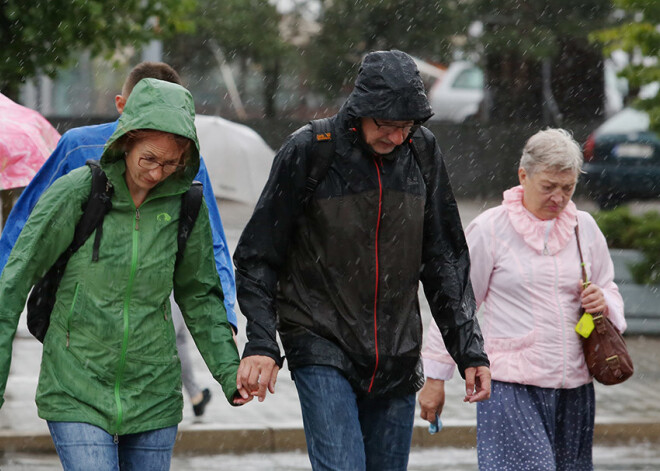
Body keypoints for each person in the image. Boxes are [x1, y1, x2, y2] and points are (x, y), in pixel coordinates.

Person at [233, 49, 491, 471]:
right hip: (320, 340)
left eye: (405, 127)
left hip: (397, 353)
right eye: (386, 126)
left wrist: (470, 351)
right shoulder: (311, 150)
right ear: (359, 111)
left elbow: (445, 259)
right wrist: (262, 342)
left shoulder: (423, 153)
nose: (395, 137)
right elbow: (257, 257)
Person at [0, 78, 250, 470]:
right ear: (126, 141)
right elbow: (13, 282)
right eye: (149, 158)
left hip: (153, 389)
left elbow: (200, 295)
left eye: (171, 164)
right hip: (75, 384)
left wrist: (229, 370)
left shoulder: (187, 205)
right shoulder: (79, 192)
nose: (156, 173)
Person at [419, 128, 626, 470]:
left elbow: (609, 286)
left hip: (575, 388)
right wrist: (435, 378)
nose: (558, 198)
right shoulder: (491, 229)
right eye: (548, 187)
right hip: (510, 387)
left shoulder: (584, 227)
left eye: (568, 188)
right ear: (523, 176)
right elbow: (457, 304)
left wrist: (603, 300)